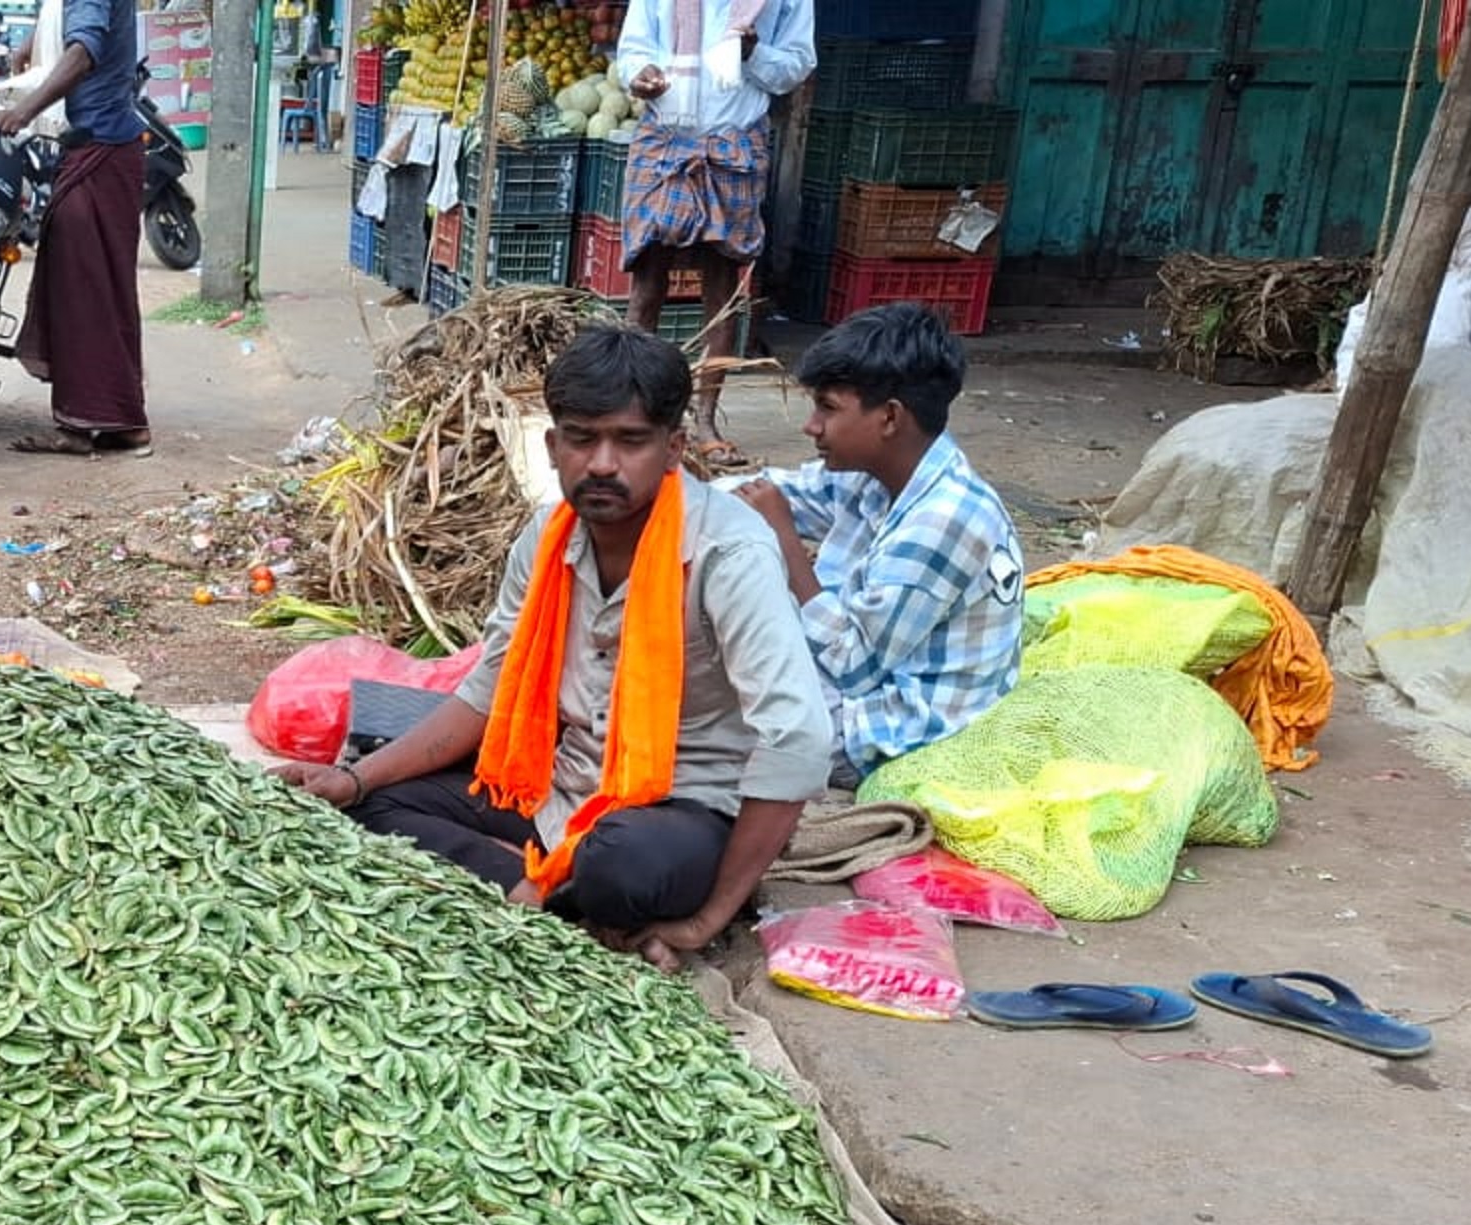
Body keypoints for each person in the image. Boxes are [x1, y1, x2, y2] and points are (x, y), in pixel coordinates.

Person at [272, 328, 835, 968]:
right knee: (374, 801)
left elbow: (799, 740)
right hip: (563, 793)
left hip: (684, 810)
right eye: (581, 438)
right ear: (551, 445)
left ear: (673, 448)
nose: (601, 463)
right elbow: (489, 690)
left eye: (629, 441)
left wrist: (706, 921)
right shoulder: (548, 537)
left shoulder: (729, 554)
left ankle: (591, 890)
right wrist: (350, 779)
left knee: (619, 864)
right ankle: (541, 889)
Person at [736, 302, 1026, 782]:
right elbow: (774, 494)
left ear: (890, 418)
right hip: (858, 681)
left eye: (827, 408)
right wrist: (679, 491)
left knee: (706, 721)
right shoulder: (877, 473)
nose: (811, 426)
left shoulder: (943, 521)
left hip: (889, 727)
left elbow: (853, 666)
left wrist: (786, 546)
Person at [613, 0, 813, 452]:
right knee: (645, 285)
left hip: (735, 144)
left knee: (722, 292)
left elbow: (797, 65)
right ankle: (631, 410)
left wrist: (754, 53)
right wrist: (640, 75)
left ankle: (704, 423)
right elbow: (633, 50)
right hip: (664, 141)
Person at [0, 0, 149, 456]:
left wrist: (23, 109)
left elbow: (83, 50)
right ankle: (116, 419)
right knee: (97, 289)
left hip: (100, 145)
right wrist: (29, 45)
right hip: (104, 143)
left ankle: (87, 424)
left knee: (81, 289)